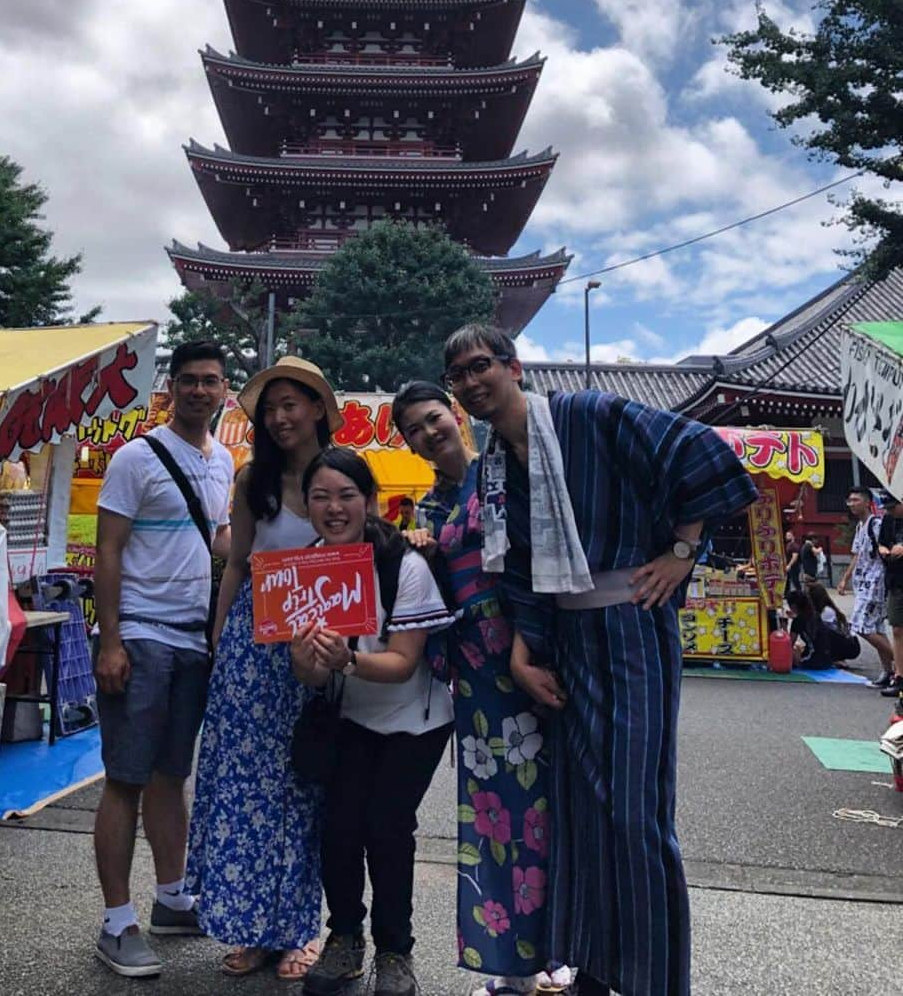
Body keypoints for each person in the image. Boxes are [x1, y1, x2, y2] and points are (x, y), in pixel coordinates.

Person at [441, 324, 758, 996]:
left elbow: (696, 449)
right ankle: (594, 967)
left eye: (481, 366)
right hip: (564, 639)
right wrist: (525, 649)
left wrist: (682, 552)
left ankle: (654, 980)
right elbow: (518, 566)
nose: (472, 383)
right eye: (459, 375)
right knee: (580, 807)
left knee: (634, 813)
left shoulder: (588, 413)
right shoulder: (495, 462)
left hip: (631, 624)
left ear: (513, 366)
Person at [391, 379, 572, 996]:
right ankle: (512, 964)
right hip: (475, 673)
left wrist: (530, 640)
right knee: (494, 814)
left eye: (432, 417)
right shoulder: (426, 510)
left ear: (456, 415)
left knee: (556, 805)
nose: (427, 432)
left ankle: (563, 950)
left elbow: (535, 554)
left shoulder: (505, 472)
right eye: (413, 428)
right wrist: (418, 551)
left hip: (531, 649)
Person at [185, 357, 340, 981]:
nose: (279, 417)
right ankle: (252, 927)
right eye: (270, 407)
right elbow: (241, 563)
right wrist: (219, 637)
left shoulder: (341, 474)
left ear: (317, 410)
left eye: (291, 404)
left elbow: (362, 553)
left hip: (320, 643)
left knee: (305, 787)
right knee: (245, 788)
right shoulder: (255, 480)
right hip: (253, 645)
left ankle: (304, 930)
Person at [92, 340, 234, 979]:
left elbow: (221, 539)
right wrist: (111, 640)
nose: (200, 391)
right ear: (170, 388)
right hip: (143, 636)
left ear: (225, 390)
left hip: (193, 638)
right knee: (126, 776)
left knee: (173, 773)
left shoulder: (225, 459)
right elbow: (109, 551)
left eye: (211, 381)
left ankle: (172, 896)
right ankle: (116, 922)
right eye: (189, 381)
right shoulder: (134, 457)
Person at [291, 448, 455, 996]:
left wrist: (348, 660)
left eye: (346, 495)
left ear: (370, 502)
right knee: (338, 827)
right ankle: (343, 938)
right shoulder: (305, 567)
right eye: (321, 496)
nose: (334, 508)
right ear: (306, 504)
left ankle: (394, 951)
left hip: (416, 718)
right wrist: (310, 660)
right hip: (350, 714)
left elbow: (405, 663)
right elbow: (308, 676)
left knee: (386, 828)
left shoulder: (403, 565)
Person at [837, 488, 895, 688]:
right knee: (877, 628)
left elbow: (886, 549)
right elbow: (857, 554)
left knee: (861, 626)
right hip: (862, 582)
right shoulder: (860, 527)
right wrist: (845, 578)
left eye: (856, 500)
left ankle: (899, 665)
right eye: (849, 500)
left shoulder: (876, 524)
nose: (852, 504)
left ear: (867, 502)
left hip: (875, 582)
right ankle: (889, 671)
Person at [787, 589, 860, 668]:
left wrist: (784, 626)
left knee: (795, 655)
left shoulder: (799, 621)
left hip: (818, 659)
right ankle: (834, 661)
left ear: (793, 606)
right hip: (827, 654)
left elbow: (789, 644)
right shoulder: (815, 614)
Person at [877, 496, 903, 698]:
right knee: (897, 628)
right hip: (895, 579)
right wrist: (884, 549)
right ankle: (899, 677)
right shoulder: (888, 520)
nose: (890, 511)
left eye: (893, 507)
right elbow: (881, 543)